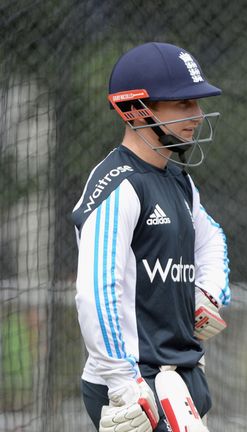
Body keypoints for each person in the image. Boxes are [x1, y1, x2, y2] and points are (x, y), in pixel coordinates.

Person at [71, 42, 231, 431]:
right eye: (182, 105)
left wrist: (207, 293)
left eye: (196, 103)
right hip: (137, 384)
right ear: (137, 109)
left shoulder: (179, 181)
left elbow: (211, 239)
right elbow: (96, 290)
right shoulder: (119, 184)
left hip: (184, 376)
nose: (196, 115)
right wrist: (124, 384)